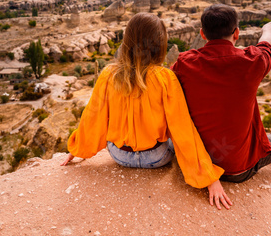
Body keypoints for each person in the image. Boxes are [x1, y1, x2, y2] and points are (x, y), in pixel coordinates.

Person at [61, 12, 232, 209]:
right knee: (173, 136)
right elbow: (183, 129)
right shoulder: (166, 78)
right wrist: (209, 177)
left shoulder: (108, 75)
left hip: (120, 157)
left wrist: (77, 148)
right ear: (160, 44)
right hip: (156, 158)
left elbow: (93, 117)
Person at [172, 4, 271, 183]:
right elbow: (266, 44)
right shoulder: (252, 61)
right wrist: (267, 29)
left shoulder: (185, 63)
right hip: (237, 169)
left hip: (197, 163)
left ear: (202, 34)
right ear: (237, 33)